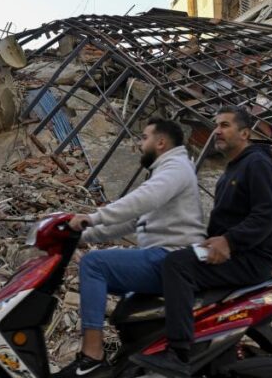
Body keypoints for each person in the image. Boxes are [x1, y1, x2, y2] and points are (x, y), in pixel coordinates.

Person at [131, 106, 272, 378]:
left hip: (252, 258)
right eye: (216, 125)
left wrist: (229, 242)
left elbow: (267, 215)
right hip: (237, 252)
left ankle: (178, 353)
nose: (217, 131)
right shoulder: (233, 170)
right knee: (178, 259)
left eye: (225, 125)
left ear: (245, 133)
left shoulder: (257, 163)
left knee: (177, 265)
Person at [55, 118, 206, 378]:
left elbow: (141, 201)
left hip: (170, 258)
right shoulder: (167, 171)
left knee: (94, 264)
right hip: (160, 257)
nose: (139, 144)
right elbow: (134, 221)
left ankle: (92, 355)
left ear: (160, 142)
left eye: (144, 138)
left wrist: (93, 217)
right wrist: (83, 235)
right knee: (112, 289)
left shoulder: (176, 167)